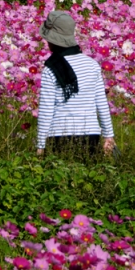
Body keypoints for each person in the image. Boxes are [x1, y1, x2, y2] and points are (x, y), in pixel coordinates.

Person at [36, 11, 115, 159]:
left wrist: (40, 146)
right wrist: (108, 135)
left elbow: (46, 110)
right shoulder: (92, 65)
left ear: (51, 40)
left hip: (59, 137)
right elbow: (102, 104)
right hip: (90, 136)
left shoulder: (50, 68)